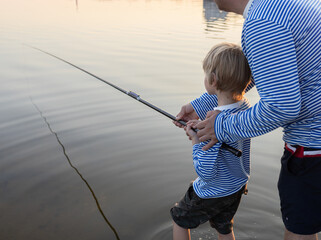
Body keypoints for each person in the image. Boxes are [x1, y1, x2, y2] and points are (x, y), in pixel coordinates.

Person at [175, 0, 321, 239]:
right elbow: (266, 75)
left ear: (211, 79)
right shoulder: (283, 6)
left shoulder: (263, 21)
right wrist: (201, 105)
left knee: (300, 232)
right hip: (244, 183)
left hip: (312, 148)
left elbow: (282, 106)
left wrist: (216, 128)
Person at [171, 42, 252, 240]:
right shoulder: (246, 110)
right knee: (223, 227)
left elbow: (205, 171)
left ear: (213, 80)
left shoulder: (213, 124)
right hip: (236, 187)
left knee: (179, 220)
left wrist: (195, 139)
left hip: (212, 191)